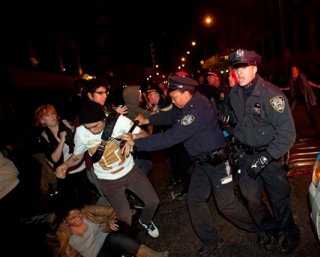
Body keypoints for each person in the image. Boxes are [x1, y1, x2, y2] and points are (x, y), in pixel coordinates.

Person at [125, 76, 260, 256]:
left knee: (226, 205)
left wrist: (136, 143)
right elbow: (173, 115)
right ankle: (211, 240)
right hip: (203, 164)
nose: (172, 101)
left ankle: (261, 228)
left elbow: (171, 137)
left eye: (174, 97)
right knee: (195, 199)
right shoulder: (187, 104)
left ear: (185, 93)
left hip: (218, 163)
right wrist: (149, 119)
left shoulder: (197, 109)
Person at [223, 49, 301, 255]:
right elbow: (241, 123)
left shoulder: (271, 95)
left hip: (271, 157)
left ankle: (290, 233)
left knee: (279, 199)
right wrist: (231, 124)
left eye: (244, 67)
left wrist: (265, 159)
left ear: (255, 68)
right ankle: (270, 229)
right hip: (247, 155)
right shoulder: (234, 93)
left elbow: (287, 135)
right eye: (236, 68)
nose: (239, 73)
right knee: (251, 198)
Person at [56, 101, 160, 239]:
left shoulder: (119, 122)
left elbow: (145, 135)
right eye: (89, 128)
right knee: (124, 217)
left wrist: (133, 137)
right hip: (108, 180)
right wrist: (66, 165)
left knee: (153, 201)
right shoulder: (81, 132)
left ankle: (145, 221)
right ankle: (129, 245)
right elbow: (77, 156)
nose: (92, 130)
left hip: (130, 171)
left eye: (95, 126)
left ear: (103, 118)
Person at [54, 199, 169, 257]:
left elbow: (111, 211)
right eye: (73, 218)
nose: (78, 218)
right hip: (98, 255)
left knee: (117, 238)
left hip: (108, 240)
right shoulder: (64, 234)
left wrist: (108, 221)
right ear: (65, 220)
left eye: (78, 213)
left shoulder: (87, 212)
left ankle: (155, 256)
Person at [34, 104, 93, 204]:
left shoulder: (66, 123)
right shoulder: (44, 136)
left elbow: (80, 141)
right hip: (64, 172)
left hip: (80, 167)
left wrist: (75, 133)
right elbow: (54, 159)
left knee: (86, 198)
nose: (53, 116)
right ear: (42, 120)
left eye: (53, 113)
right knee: (70, 201)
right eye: (48, 115)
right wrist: (62, 140)